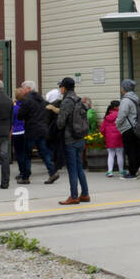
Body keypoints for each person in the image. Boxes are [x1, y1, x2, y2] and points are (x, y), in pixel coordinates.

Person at [54, 76, 90, 204]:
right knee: (79, 167)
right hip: (80, 137)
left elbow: (60, 123)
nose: (60, 89)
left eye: (61, 87)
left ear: (64, 88)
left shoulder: (66, 101)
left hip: (70, 139)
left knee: (72, 168)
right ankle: (85, 194)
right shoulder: (79, 100)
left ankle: (74, 196)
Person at [18, 82, 58, 184]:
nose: (21, 90)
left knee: (27, 154)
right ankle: (52, 172)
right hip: (42, 129)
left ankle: (25, 177)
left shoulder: (26, 100)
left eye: (22, 88)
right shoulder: (41, 99)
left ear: (28, 89)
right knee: (44, 152)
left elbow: (20, 115)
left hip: (31, 130)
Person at [115, 78, 140, 180]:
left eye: (122, 86)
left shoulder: (125, 100)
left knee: (130, 151)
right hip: (135, 127)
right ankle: (136, 169)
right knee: (135, 150)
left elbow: (121, 115)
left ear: (124, 88)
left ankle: (132, 173)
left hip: (128, 129)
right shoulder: (135, 98)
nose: (120, 88)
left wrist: (117, 124)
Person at [12, 86, 30, 183]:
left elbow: (12, 121)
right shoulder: (27, 106)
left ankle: (22, 172)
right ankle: (26, 171)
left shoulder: (15, 108)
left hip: (17, 131)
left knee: (19, 154)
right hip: (25, 130)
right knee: (25, 153)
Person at [102, 100, 125, 176]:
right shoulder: (120, 115)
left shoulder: (106, 117)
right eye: (119, 106)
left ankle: (110, 171)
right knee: (119, 154)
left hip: (109, 138)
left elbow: (102, 129)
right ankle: (121, 171)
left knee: (111, 154)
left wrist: (106, 136)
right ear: (115, 107)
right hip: (119, 137)